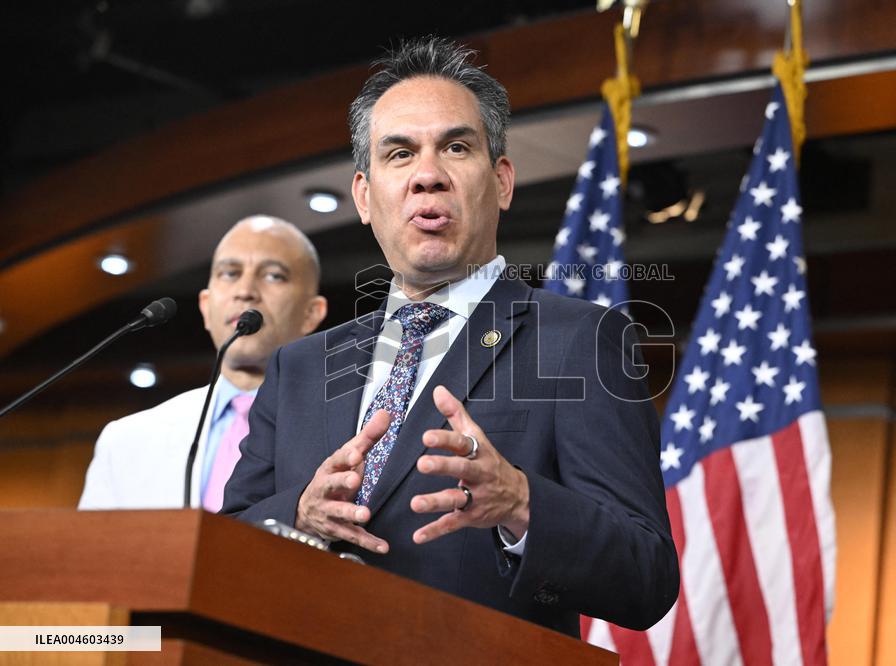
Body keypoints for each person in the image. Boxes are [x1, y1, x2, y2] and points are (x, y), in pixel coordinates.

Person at [223, 37, 679, 636]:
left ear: (503, 182)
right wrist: (300, 514)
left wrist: (521, 505)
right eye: (399, 154)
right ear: (364, 196)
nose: (427, 177)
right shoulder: (299, 368)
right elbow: (226, 545)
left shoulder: (580, 341)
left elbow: (646, 575)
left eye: (456, 148)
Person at [78, 215, 328, 510]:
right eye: (230, 273)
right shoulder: (125, 441)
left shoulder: (343, 434)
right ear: (206, 308)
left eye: (274, 276)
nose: (245, 291)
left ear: (312, 313)